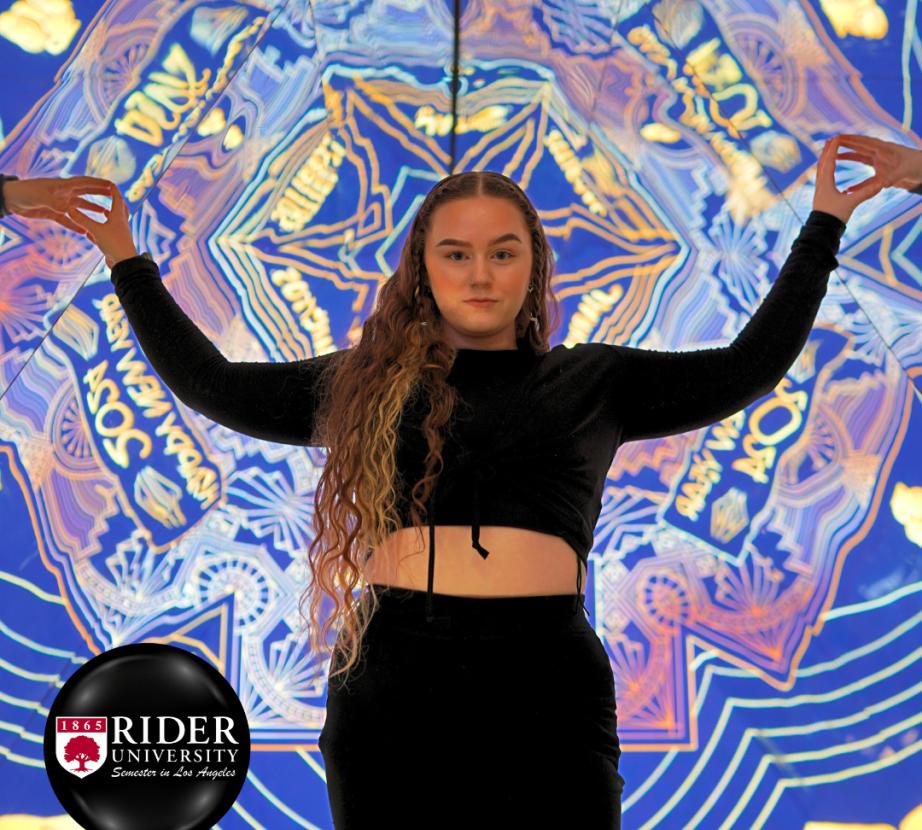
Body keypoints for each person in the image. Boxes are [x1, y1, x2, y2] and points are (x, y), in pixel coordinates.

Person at [0, 134, 909, 829]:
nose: (481, 272)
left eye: (503, 252)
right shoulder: (362, 385)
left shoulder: (596, 380)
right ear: (423, 269)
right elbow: (214, 386)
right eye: (457, 253)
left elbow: (750, 363)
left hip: (544, 675)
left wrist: (827, 222)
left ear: (533, 266)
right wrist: (125, 255)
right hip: (396, 672)